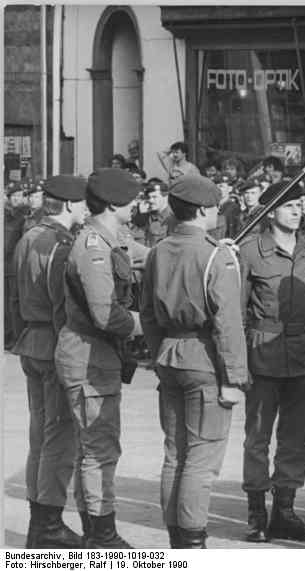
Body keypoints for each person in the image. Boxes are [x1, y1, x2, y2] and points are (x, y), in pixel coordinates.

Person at [140, 175, 249, 549]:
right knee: (202, 459)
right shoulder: (216, 255)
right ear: (203, 210)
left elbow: (148, 314)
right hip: (204, 359)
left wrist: (159, 353)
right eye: (215, 205)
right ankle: (192, 543)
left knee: (175, 454)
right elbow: (228, 323)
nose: (218, 210)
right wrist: (234, 379)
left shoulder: (158, 250)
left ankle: (178, 541)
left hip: (170, 354)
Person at [54, 168, 144, 548]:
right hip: (88, 358)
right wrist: (150, 324)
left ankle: (96, 529)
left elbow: (148, 257)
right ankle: (102, 537)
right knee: (99, 448)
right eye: (131, 197)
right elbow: (107, 314)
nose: (138, 203)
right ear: (112, 203)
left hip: (97, 358)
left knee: (94, 448)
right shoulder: (92, 246)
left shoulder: (113, 237)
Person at [239, 180, 305, 543]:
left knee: (296, 439)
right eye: (290, 206)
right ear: (271, 211)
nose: (298, 211)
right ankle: (256, 512)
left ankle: (285, 510)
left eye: (300, 205)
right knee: (257, 437)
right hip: (263, 356)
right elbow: (237, 311)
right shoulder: (250, 251)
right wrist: (240, 362)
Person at [10, 175, 88, 548]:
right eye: (84, 203)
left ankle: (38, 524)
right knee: (60, 438)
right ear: (71, 205)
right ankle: (49, 527)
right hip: (54, 343)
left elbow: (12, 294)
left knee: (39, 435)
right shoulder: (60, 243)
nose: (88, 209)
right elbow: (63, 305)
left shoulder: (28, 236)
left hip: (30, 341)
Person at [5, 182, 28, 349]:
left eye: (19, 196)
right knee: (7, 304)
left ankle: (16, 337)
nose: (16, 199)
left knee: (15, 303)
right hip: (7, 266)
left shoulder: (25, 217)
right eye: (14, 196)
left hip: (16, 266)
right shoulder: (6, 215)